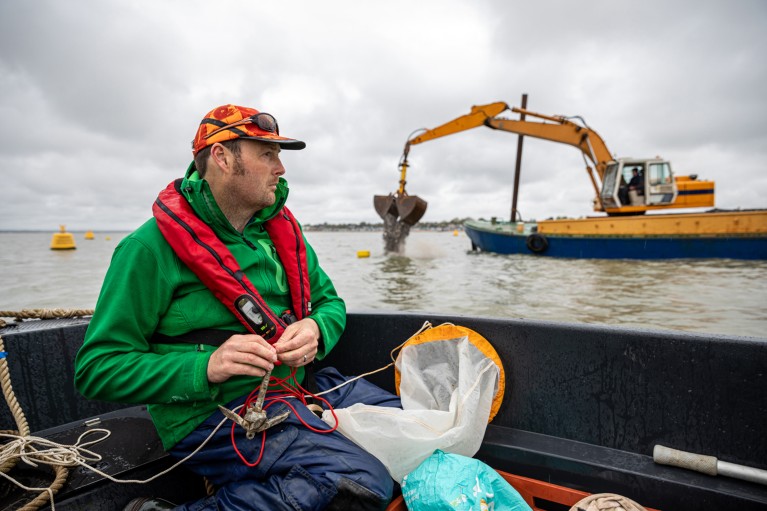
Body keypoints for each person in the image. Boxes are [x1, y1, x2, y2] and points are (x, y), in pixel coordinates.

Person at [74, 104, 401, 511]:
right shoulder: (148, 248)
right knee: (361, 482)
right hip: (213, 415)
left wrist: (316, 329)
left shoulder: (281, 232)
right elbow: (96, 368)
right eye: (267, 154)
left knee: (410, 424)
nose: (280, 168)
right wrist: (207, 367)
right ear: (223, 157)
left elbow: (329, 303)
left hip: (298, 385)